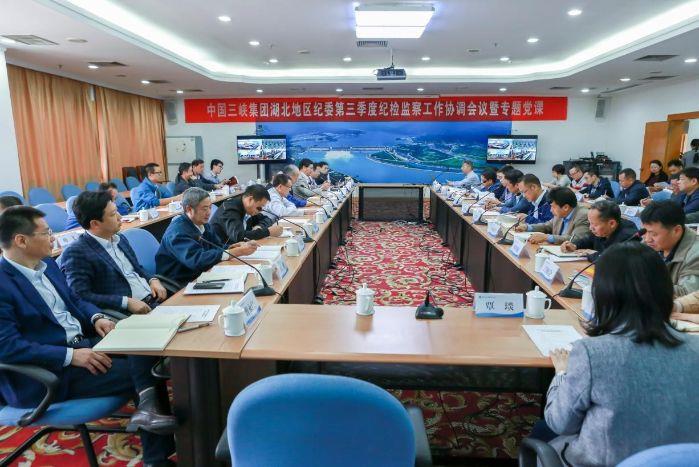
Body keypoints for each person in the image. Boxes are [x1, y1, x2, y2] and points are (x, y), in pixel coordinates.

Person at [0, 206, 176, 465]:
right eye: (47, 233)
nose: (54, 238)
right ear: (21, 240)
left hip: (82, 344)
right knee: (145, 373)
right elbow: (7, 347)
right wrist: (70, 356)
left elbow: (75, 299)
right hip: (45, 371)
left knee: (144, 343)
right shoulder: (3, 284)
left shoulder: (47, 264)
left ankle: (151, 416)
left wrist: (96, 318)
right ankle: (156, 458)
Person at [533, 242, 699, 466]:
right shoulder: (695, 348)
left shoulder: (592, 353)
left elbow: (560, 422)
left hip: (605, 461)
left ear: (602, 293)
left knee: (542, 430)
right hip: (679, 461)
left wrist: (562, 373)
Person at [60, 191, 168, 314]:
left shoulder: (119, 238)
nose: (120, 217)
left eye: (117, 211)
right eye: (113, 214)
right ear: (95, 224)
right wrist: (125, 302)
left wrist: (152, 280)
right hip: (130, 312)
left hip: (154, 298)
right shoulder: (76, 253)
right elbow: (81, 295)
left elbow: (137, 268)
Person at [156, 188, 258, 285]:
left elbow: (216, 246)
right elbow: (197, 260)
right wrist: (237, 252)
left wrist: (233, 247)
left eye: (210, 207)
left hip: (201, 273)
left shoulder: (202, 224)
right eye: (204, 209)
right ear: (189, 209)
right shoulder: (177, 233)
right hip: (181, 281)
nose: (209, 212)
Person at [640, 200, 699, 296]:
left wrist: (640, 284)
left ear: (676, 231)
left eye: (654, 234)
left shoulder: (695, 255)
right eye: (644, 231)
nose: (647, 239)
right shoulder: (649, 242)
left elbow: (688, 294)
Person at [560, 199, 639, 261]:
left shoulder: (629, 236)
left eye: (594, 225)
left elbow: (612, 259)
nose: (590, 228)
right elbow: (588, 240)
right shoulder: (602, 230)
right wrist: (574, 245)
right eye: (590, 223)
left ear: (612, 223)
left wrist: (594, 254)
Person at [210, 184, 283, 243]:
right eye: (259, 208)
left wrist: (259, 226)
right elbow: (239, 236)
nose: (260, 211)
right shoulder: (230, 209)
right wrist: (267, 232)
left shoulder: (248, 207)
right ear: (250, 199)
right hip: (221, 251)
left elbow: (267, 219)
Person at [515, 187, 589, 245]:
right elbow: (547, 226)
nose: (551, 210)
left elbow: (576, 239)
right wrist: (527, 227)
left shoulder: (583, 215)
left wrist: (546, 237)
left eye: (553, 207)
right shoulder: (560, 213)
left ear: (565, 207)